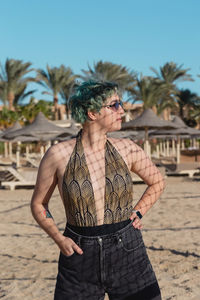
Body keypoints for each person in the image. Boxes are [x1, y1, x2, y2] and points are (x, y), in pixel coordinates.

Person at [31, 80, 165, 300]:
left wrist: (139, 211)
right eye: (114, 105)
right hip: (78, 253)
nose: (121, 110)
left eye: (120, 104)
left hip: (128, 250)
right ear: (92, 113)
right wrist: (58, 238)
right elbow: (38, 203)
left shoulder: (128, 149)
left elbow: (158, 181)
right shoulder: (58, 155)